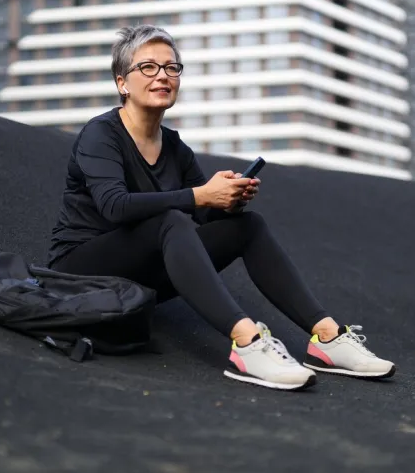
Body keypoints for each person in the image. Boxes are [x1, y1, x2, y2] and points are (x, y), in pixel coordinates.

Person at [47, 24, 396, 391]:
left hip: (140, 276)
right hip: (79, 272)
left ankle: (326, 338)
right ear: (122, 83)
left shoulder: (176, 148)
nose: (162, 76)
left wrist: (227, 200)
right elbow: (114, 207)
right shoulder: (101, 134)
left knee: (247, 226)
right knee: (169, 220)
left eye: (171, 67)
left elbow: (197, 219)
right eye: (148, 67)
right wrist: (200, 195)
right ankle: (247, 343)